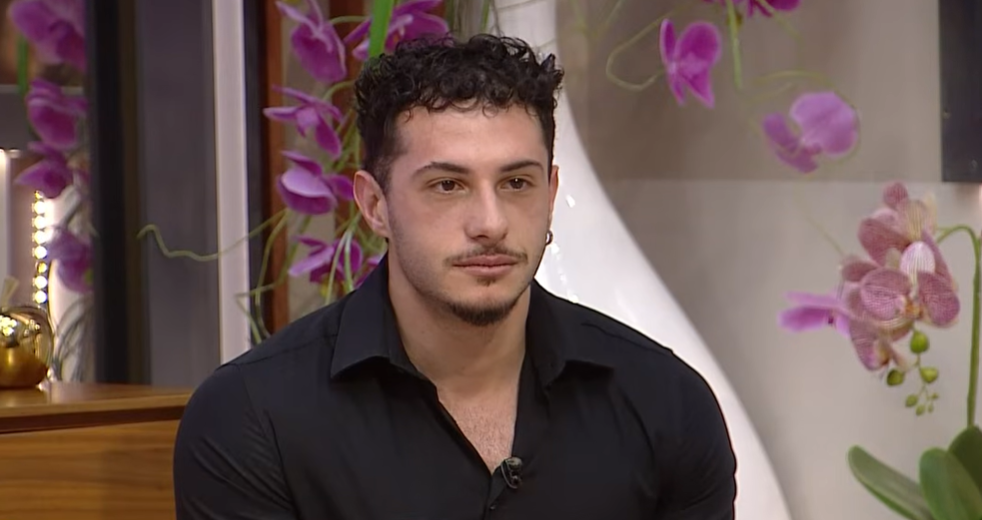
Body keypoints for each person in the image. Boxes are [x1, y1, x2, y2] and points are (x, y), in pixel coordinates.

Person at [173, 33, 736, 520]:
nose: (490, 223)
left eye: (516, 183)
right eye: (447, 185)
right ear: (374, 206)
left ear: (551, 194)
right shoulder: (253, 416)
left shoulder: (665, 402)